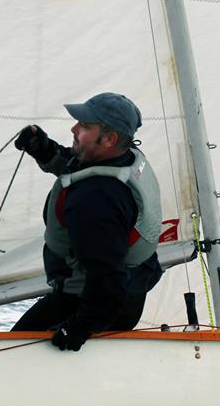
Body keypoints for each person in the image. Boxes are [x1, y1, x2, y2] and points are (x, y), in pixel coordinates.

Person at [11, 92, 163, 351]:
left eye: (84, 126)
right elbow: (78, 165)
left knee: (14, 350)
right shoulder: (125, 157)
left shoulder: (95, 200)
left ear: (109, 139)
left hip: (93, 300)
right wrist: (44, 149)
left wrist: (78, 328)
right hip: (129, 290)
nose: (74, 128)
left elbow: (108, 279)